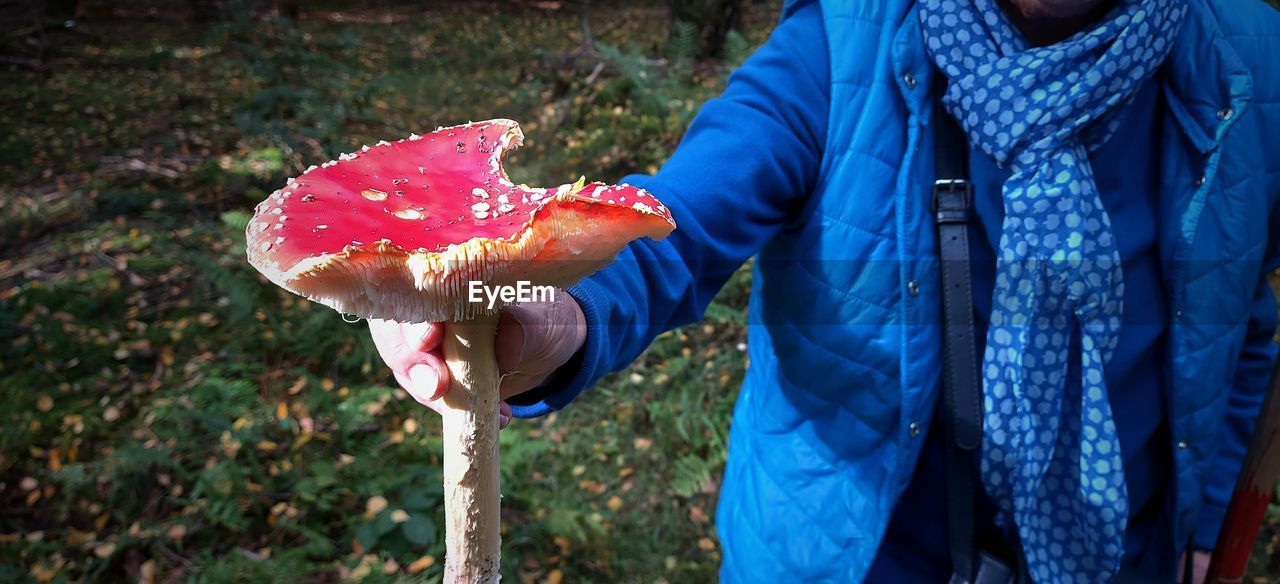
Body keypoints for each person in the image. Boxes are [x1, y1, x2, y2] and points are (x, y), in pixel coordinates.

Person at [369, 0, 1280, 581]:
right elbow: (671, 229)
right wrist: (555, 315)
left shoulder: (1254, 65)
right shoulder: (839, 47)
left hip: (1128, 557)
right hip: (856, 558)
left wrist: (1203, 515)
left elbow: (1242, 322)